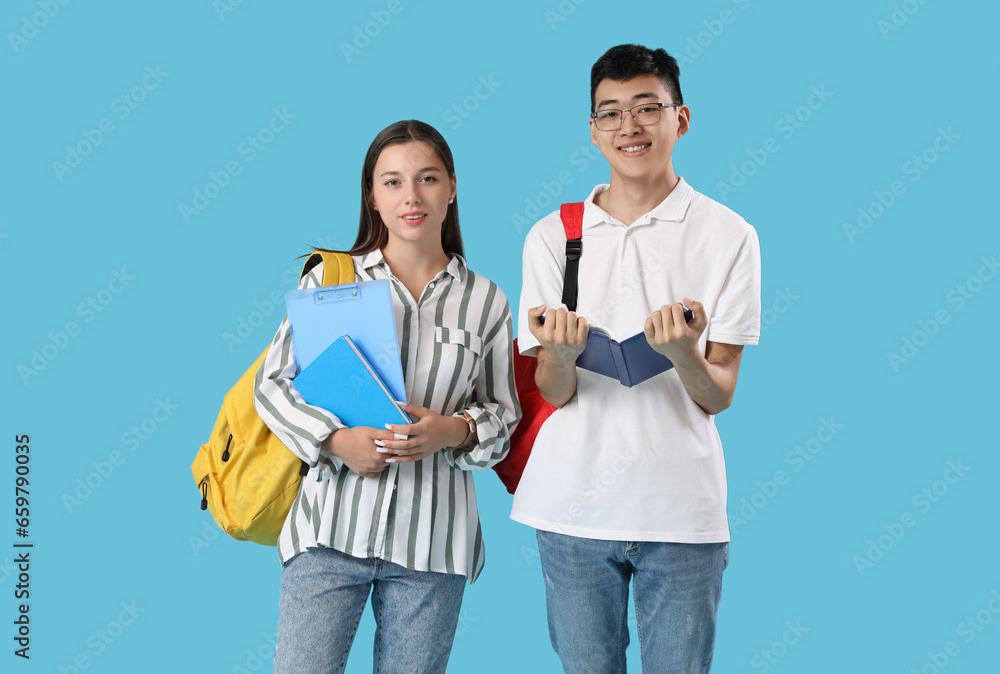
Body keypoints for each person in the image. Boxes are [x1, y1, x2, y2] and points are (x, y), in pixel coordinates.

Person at [513, 44, 762, 673]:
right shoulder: (552, 235)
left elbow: (719, 394)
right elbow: (552, 387)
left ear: (681, 119)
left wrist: (683, 354)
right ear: (594, 131)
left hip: (682, 512)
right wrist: (562, 356)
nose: (630, 126)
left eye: (648, 107)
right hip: (570, 507)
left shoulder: (729, 235)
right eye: (611, 112)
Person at [254, 119, 519, 674]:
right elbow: (272, 386)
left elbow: (504, 417)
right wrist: (334, 439)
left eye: (427, 178)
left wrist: (455, 431)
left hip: (433, 546)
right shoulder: (331, 279)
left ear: (451, 187)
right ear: (372, 197)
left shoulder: (487, 301)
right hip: (328, 532)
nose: (411, 196)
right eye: (392, 182)